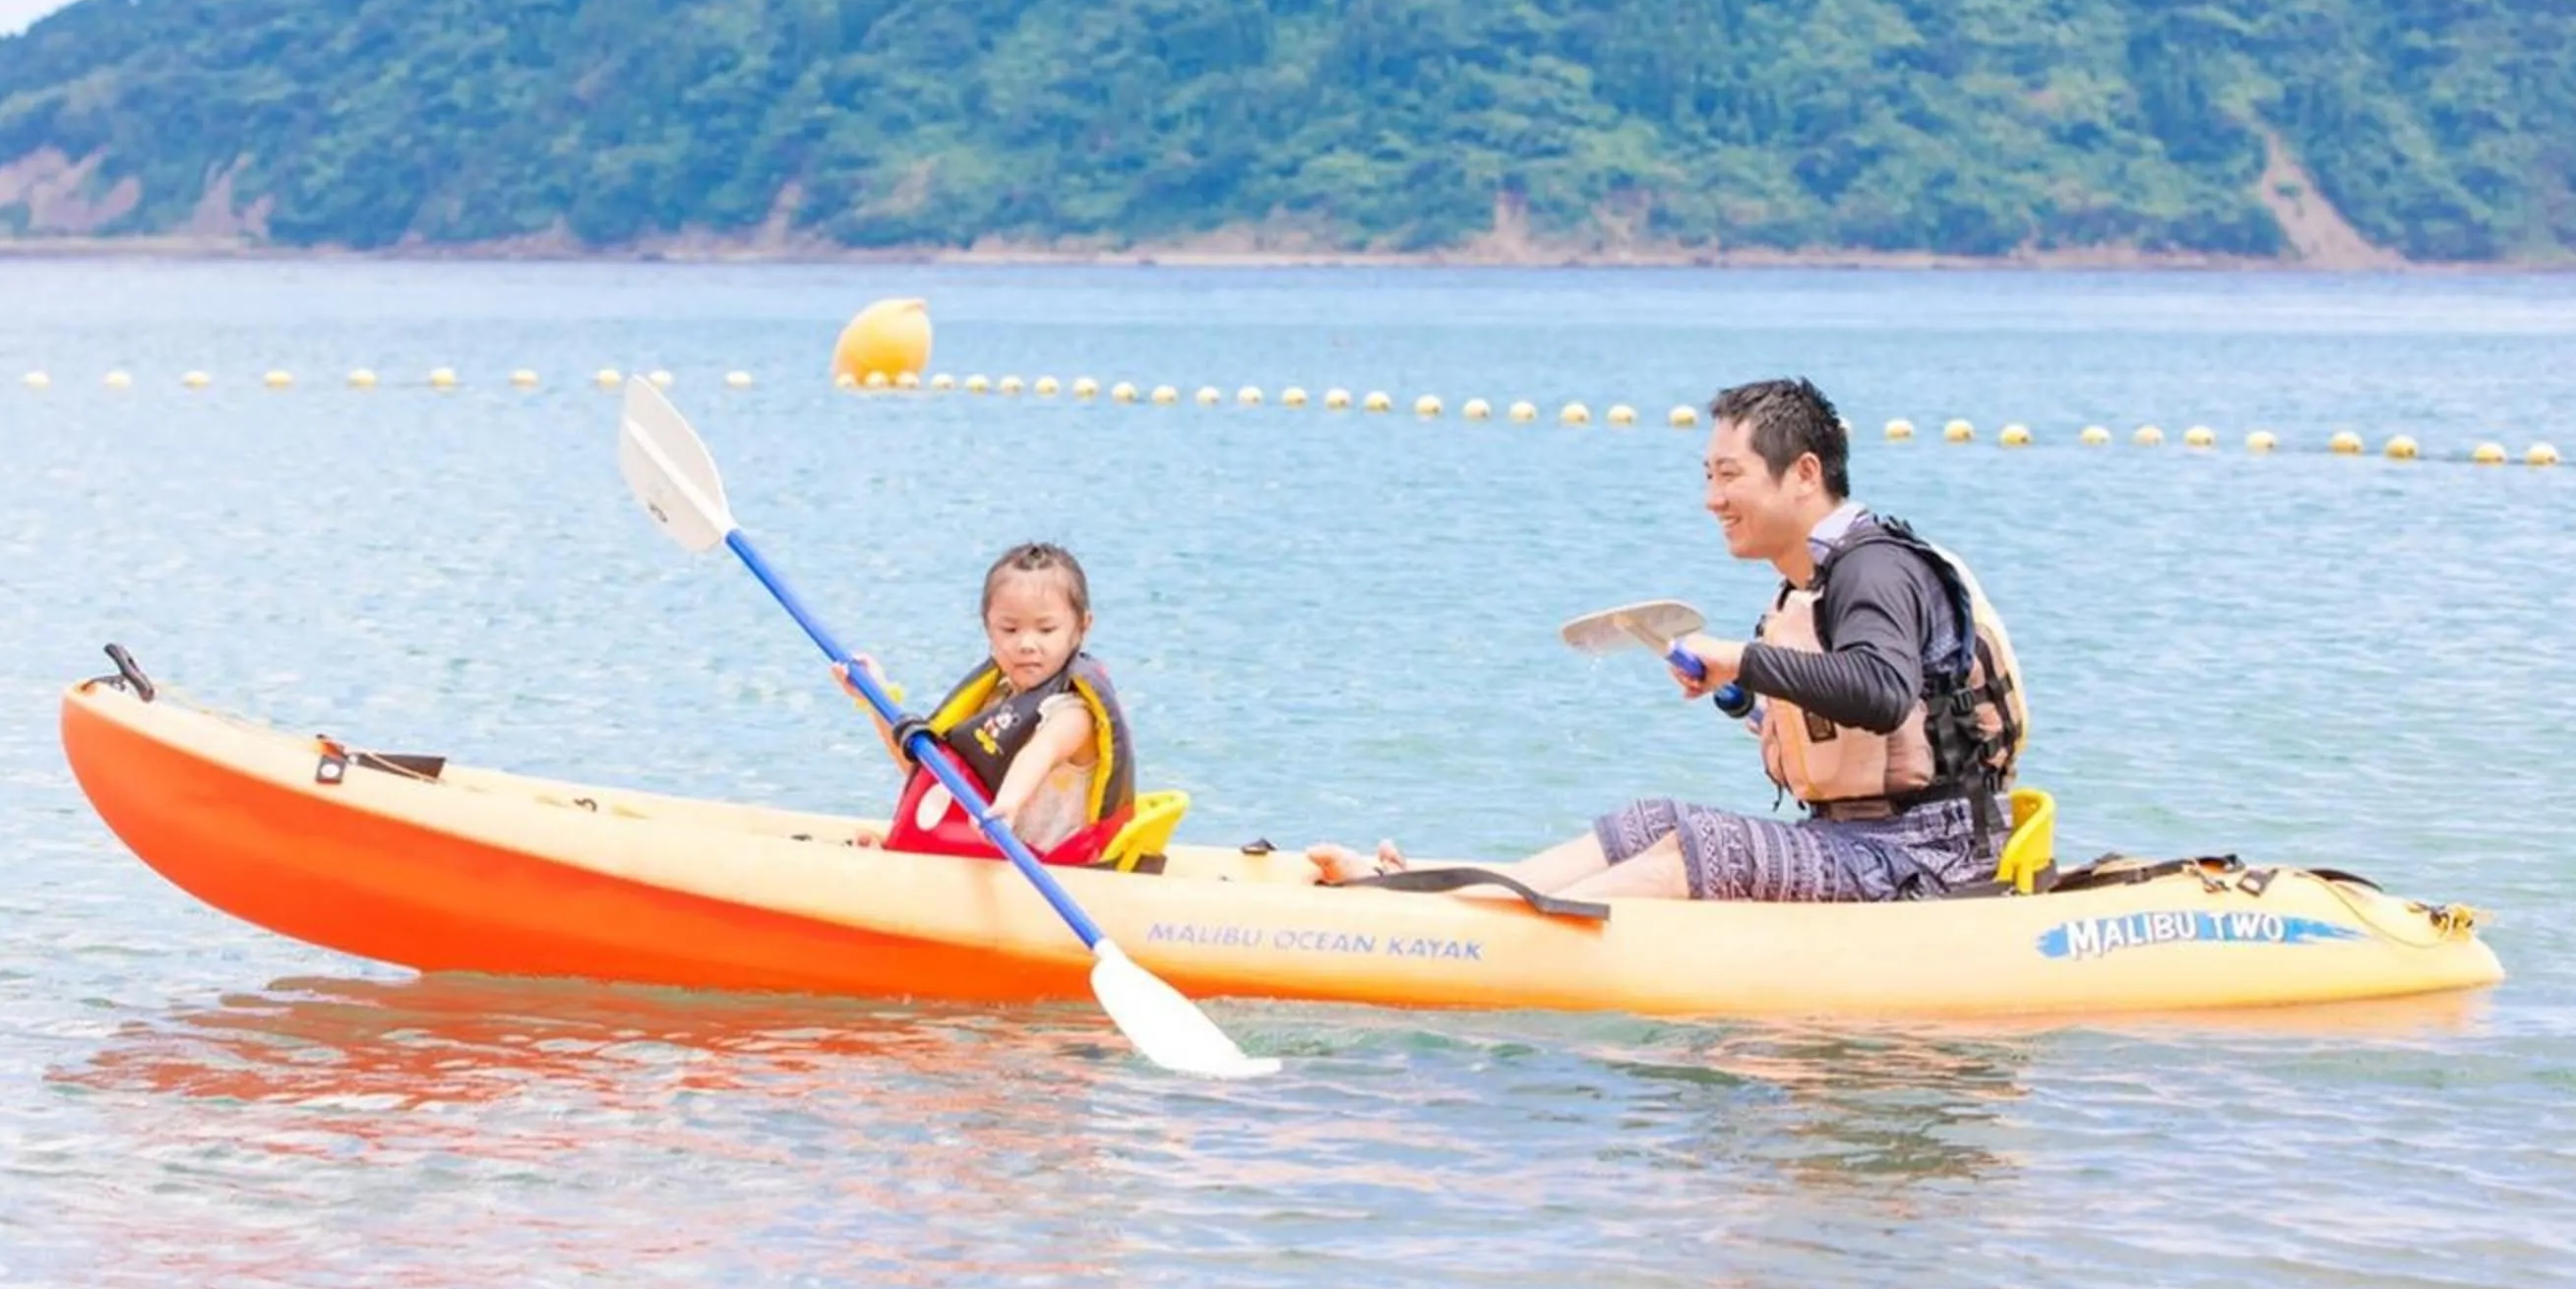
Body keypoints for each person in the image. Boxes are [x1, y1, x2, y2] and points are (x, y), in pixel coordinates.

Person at [1309, 377, 2027, 903]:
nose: (1712, 499)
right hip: (1857, 839)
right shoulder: (1808, 584)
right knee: (1650, 820)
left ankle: (1487, 934)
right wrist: (1740, 692)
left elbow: (1882, 692)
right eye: (1708, 476)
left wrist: (1738, 657)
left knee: (1700, 848)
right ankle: (1451, 894)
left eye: (1730, 476)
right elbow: (1840, 725)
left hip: (1928, 857)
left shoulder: (1875, 568)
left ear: (1805, 473)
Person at [845, 542, 1141, 865]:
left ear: (1082, 627)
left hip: (1045, 869)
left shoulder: (1074, 714)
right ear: (988, 627)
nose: (1026, 643)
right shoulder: (996, 701)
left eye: (1046, 629)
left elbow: (1040, 751)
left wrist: (1008, 804)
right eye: (1009, 629)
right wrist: (875, 695)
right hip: (990, 858)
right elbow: (932, 775)